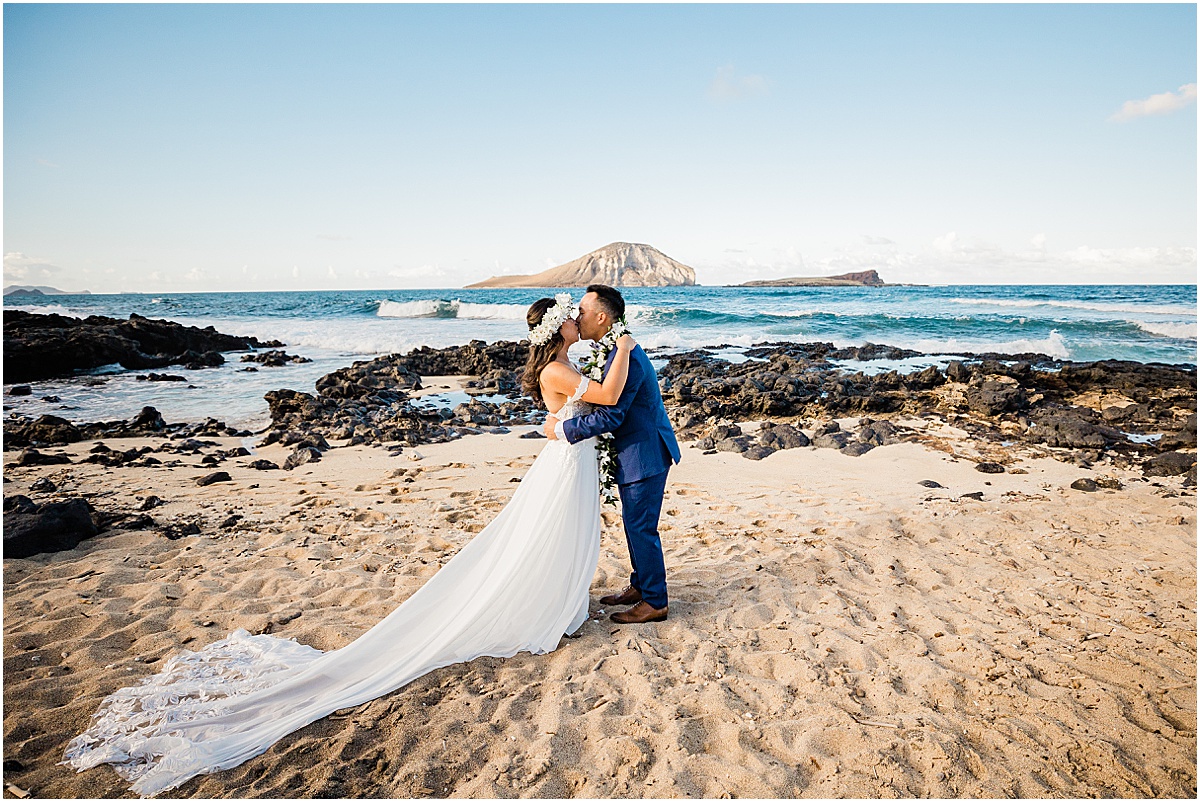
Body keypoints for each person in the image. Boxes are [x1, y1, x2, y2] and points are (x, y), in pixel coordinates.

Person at [64, 294, 635, 796]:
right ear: (558, 329)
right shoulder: (560, 371)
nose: (576, 320)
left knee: (557, 532)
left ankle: (561, 601)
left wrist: (574, 401)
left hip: (570, 459)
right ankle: (551, 606)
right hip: (565, 463)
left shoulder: (565, 363)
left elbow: (566, 411)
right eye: (571, 317)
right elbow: (606, 398)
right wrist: (626, 349)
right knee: (548, 533)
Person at [544, 284, 681, 624]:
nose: (578, 316)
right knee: (634, 523)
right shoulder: (614, 350)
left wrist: (562, 431)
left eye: (583, 311)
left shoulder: (626, 355)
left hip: (645, 452)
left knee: (641, 527)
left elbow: (613, 415)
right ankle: (641, 584)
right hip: (632, 449)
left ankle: (655, 602)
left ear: (602, 317)